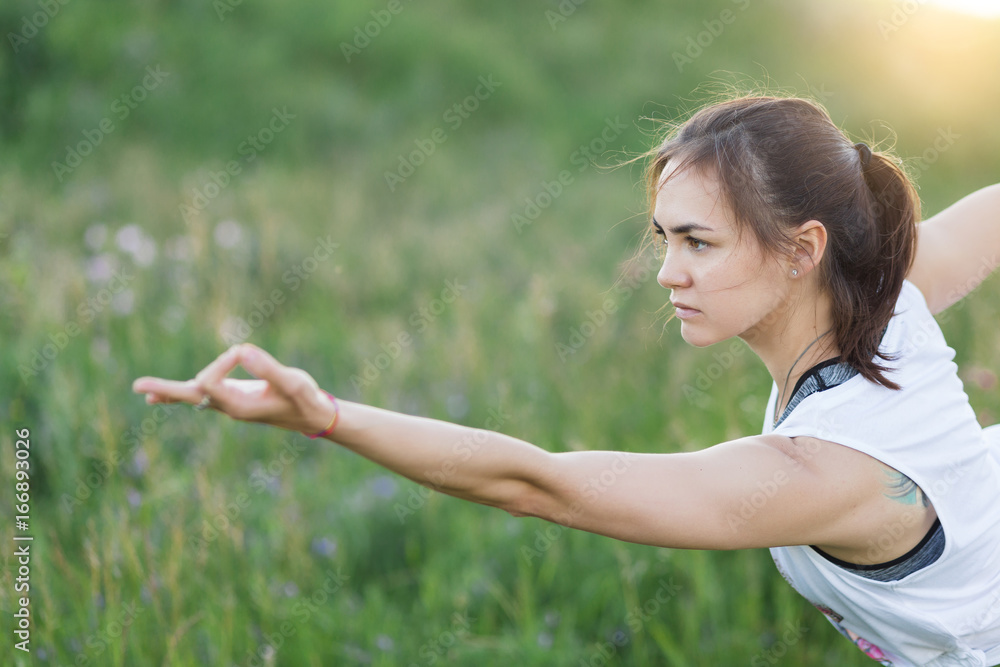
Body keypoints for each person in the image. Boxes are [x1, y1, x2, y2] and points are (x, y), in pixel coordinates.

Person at [132, 95, 1000, 666]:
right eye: (664, 237)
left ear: (805, 249)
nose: (667, 272)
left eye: (698, 242)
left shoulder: (821, 475)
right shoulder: (881, 288)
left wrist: (327, 416)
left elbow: (538, 482)